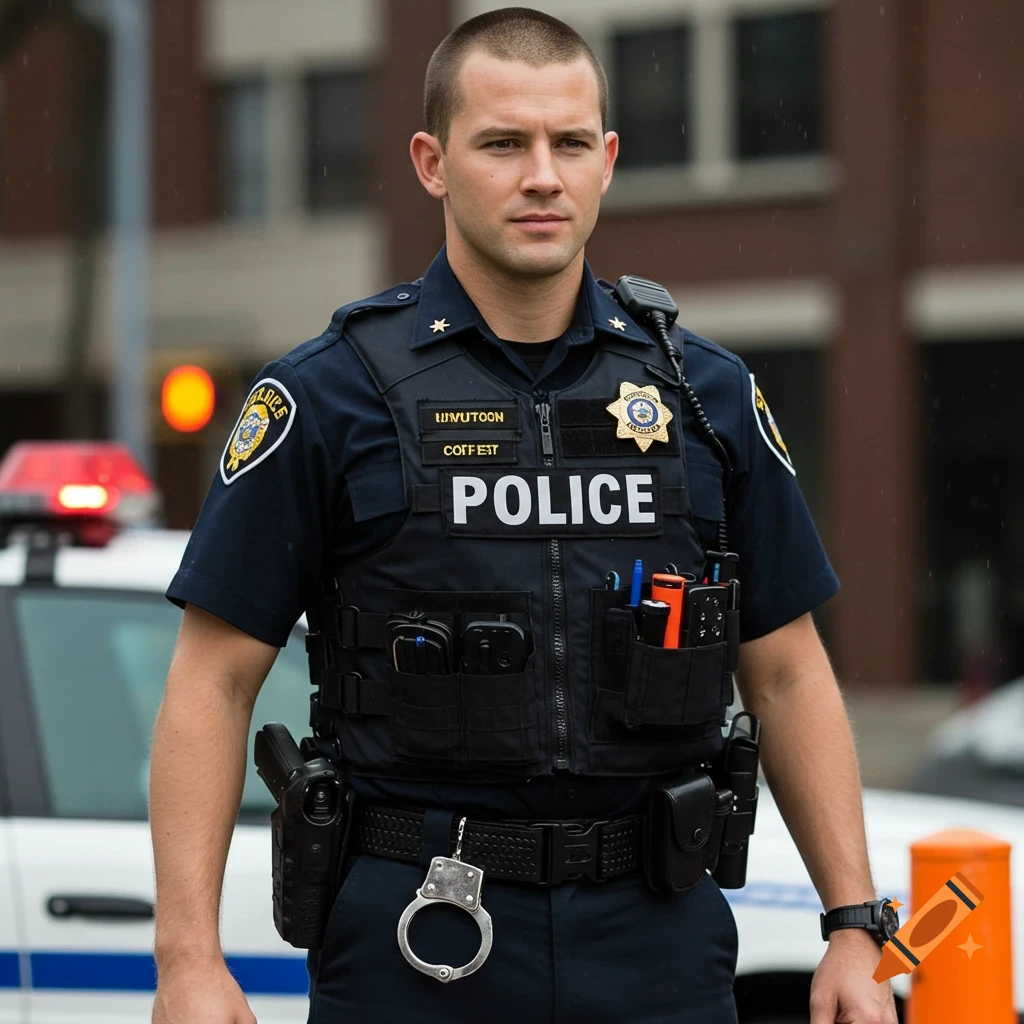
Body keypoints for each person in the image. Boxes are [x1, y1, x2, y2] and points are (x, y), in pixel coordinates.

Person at [149, 8, 898, 1024]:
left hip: (657, 937)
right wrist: (187, 960)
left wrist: (851, 921)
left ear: (607, 160)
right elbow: (213, 679)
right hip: (418, 935)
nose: (542, 176)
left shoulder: (704, 396)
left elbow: (786, 668)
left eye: (569, 143)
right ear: (432, 163)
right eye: (503, 143)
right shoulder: (329, 396)